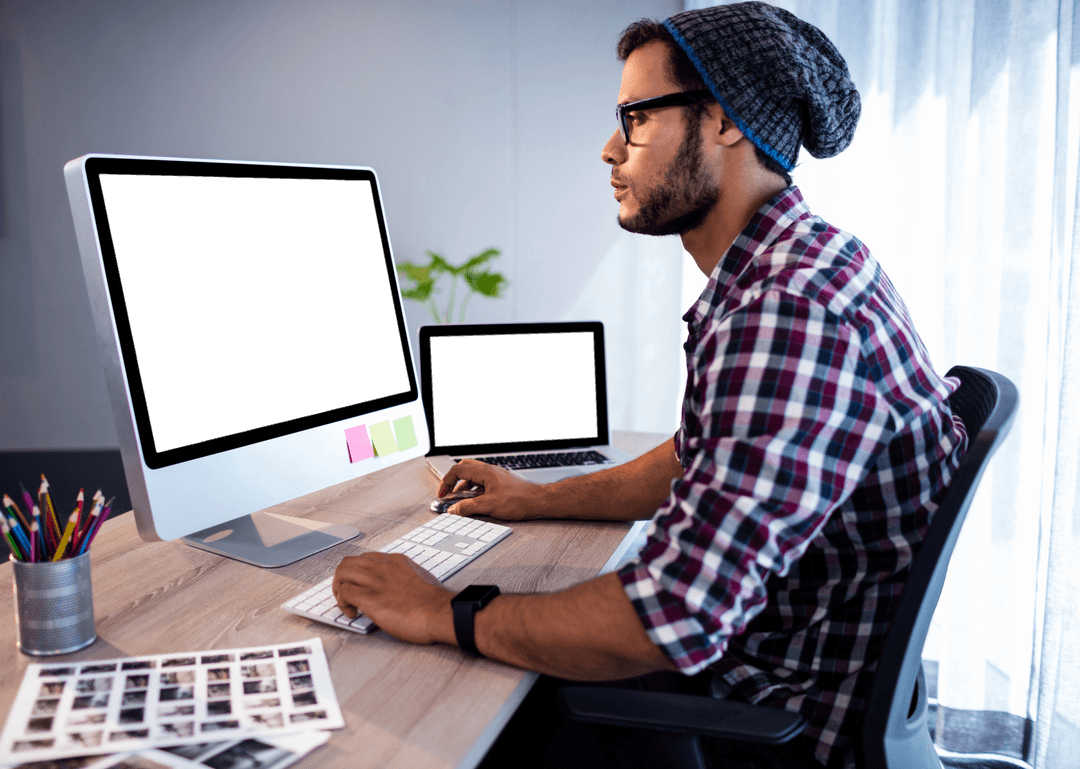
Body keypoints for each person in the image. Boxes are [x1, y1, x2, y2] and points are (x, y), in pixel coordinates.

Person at [332, 4, 968, 767]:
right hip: (775, 665)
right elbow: (700, 457)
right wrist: (536, 498)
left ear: (724, 120)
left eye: (634, 118)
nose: (609, 148)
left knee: (445, 719)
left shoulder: (788, 308)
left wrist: (442, 610)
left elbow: (673, 613)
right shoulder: (799, 264)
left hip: (776, 718)